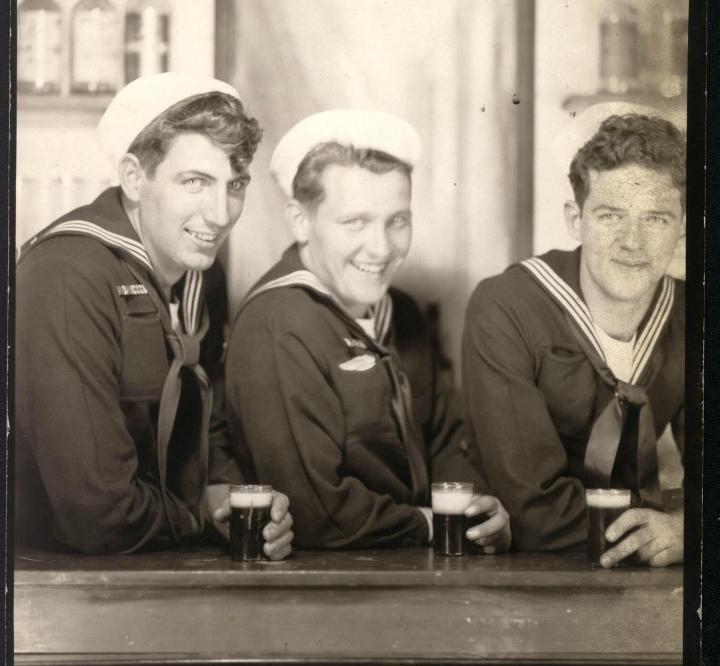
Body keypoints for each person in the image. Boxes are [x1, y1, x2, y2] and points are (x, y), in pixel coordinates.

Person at [16, 73, 293, 557]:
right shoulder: (66, 276)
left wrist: (236, 498)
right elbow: (97, 514)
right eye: (194, 182)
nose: (221, 214)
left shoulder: (197, 274)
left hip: (154, 564)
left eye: (235, 185)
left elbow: (206, 428)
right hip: (55, 589)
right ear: (133, 177)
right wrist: (201, 516)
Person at [224, 109, 511, 551]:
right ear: (300, 220)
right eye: (355, 222)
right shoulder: (277, 324)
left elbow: (448, 446)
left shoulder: (406, 315)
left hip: (416, 569)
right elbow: (315, 510)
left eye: (397, 220)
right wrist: (434, 525)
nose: (380, 248)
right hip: (325, 589)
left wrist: (479, 511)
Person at [462, 112, 685, 567]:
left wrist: (689, 530)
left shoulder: (692, 313)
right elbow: (534, 511)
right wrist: (678, 524)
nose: (632, 241)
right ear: (574, 219)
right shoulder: (507, 305)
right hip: (511, 569)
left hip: (637, 573)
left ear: (682, 228)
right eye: (610, 216)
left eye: (657, 219)